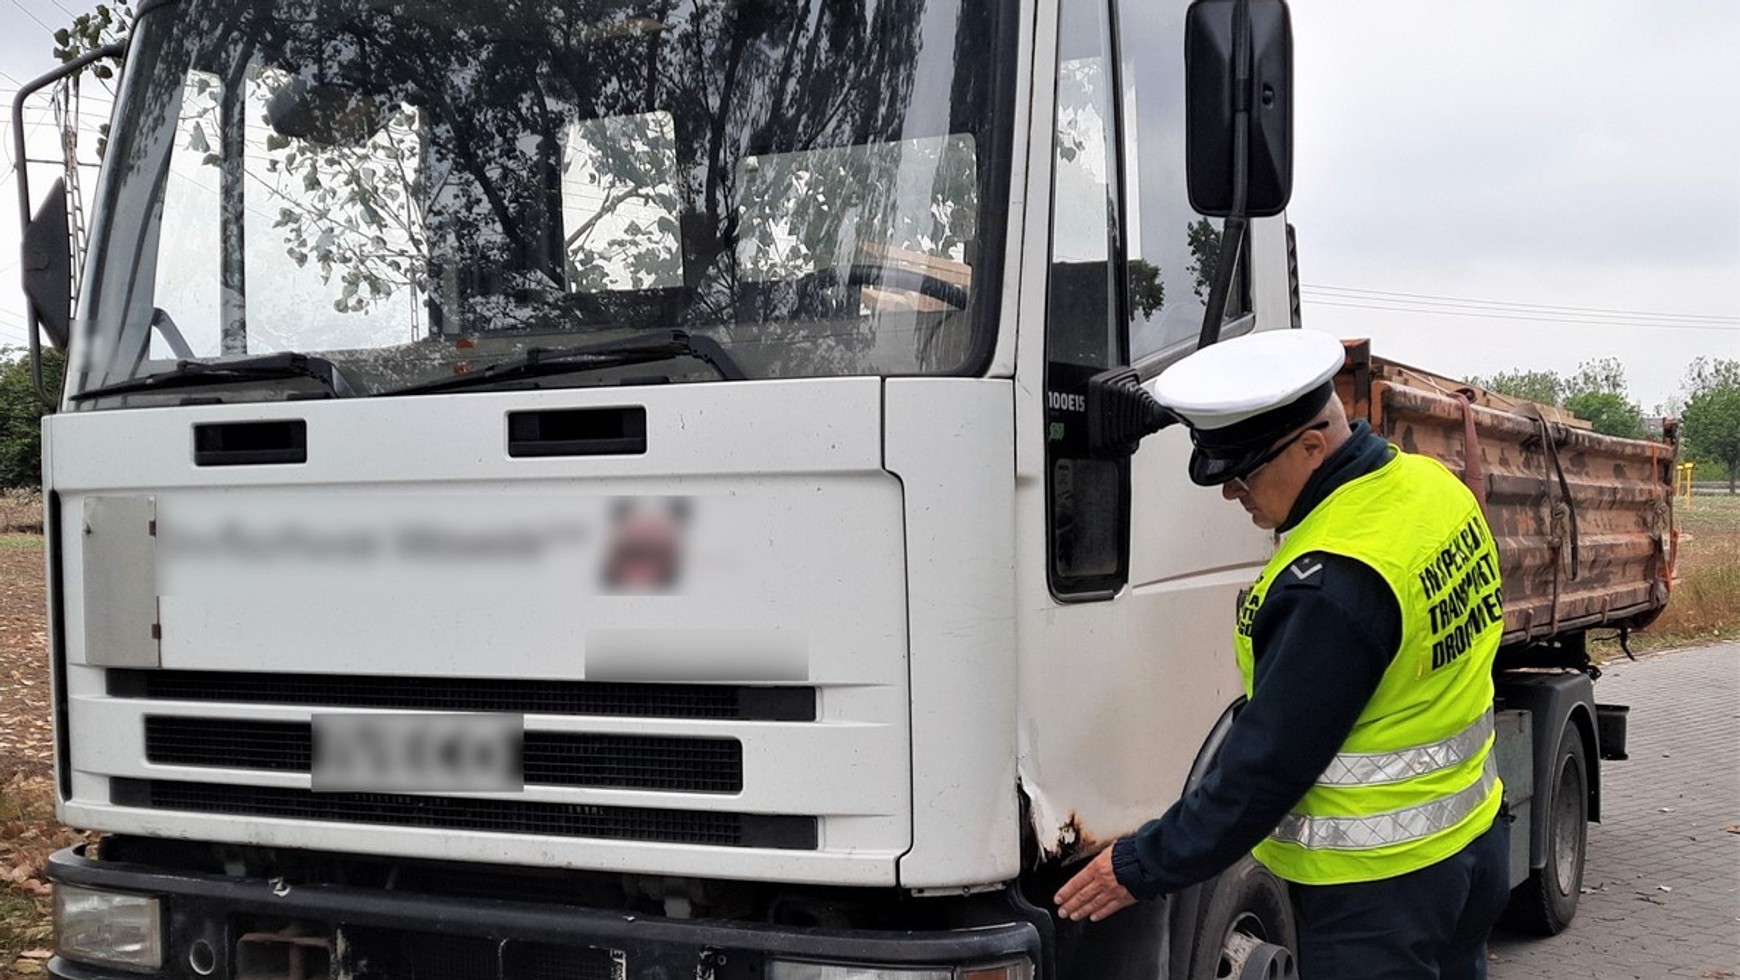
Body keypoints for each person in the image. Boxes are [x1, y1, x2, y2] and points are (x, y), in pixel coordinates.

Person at [1054, 328, 1511, 979]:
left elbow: (1263, 771)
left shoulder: (1332, 581)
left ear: (1312, 446)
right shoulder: (1432, 487)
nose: (1230, 492)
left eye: (1242, 473)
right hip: (1471, 847)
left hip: (1375, 894)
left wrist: (1137, 866)